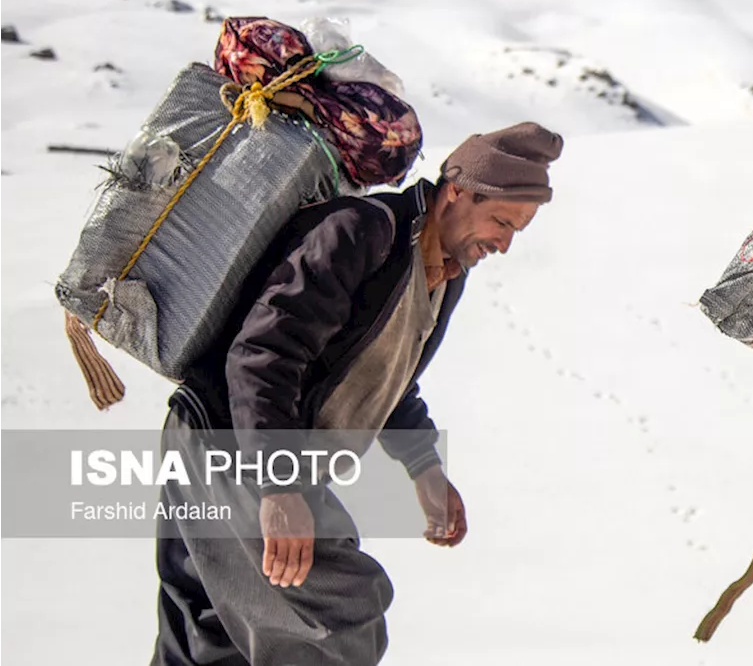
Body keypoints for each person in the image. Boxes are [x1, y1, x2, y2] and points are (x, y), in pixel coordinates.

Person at [150, 121, 564, 666]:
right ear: (457, 191)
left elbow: (388, 378)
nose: (505, 244)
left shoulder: (445, 272)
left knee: (207, 640)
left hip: (248, 455)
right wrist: (278, 486)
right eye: (502, 221)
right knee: (341, 614)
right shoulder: (361, 233)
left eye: (518, 231)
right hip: (229, 445)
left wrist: (425, 469)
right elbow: (264, 355)